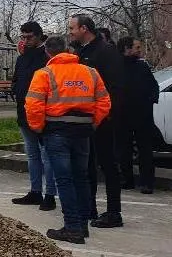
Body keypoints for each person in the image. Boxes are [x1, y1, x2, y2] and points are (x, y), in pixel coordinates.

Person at [25, 35, 111, 244]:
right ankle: (82, 225)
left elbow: (33, 106)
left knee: (64, 180)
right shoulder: (90, 72)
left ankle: (72, 227)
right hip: (83, 131)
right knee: (81, 177)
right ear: (68, 50)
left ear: (48, 52)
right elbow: (104, 102)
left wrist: (38, 129)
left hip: (56, 131)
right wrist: (92, 123)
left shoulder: (44, 74)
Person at [68, 14, 125, 228]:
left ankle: (114, 212)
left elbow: (116, 88)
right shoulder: (81, 53)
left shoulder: (106, 51)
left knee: (108, 165)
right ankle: (88, 207)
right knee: (87, 165)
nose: (70, 32)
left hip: (104, 120)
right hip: (85, 120)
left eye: (72, 28)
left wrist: (106, 116)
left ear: (84, 28)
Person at [10, 21, 56, 210]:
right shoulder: (21, 59)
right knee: (32, 155)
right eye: (23, 37)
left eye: (29, 37)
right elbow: (16, 81)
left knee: (47, 155)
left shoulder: (46, 58)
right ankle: (35, 191)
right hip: (24, 113)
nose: (26, 41)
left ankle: (50, 194)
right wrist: (16, 90)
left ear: (39, 36)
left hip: (42, 115)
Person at [117, 36, 157, 194]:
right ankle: (127, 180)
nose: (140, 50)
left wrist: (151, 99)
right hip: (122, 115)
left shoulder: (142, 66)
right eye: (137, 47)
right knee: (123, 149)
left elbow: (153, 86)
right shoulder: (116, 66)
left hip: (143, 115)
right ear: (127, 49)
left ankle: (147, 182)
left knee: (145, 149)